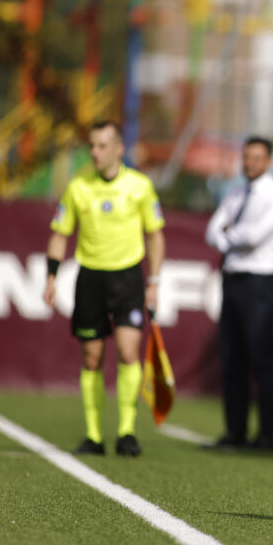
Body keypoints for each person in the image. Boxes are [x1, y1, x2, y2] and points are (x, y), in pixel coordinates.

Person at [43, 120, 165, 457]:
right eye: (92, 146)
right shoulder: (78, 187)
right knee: (91, 356)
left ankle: (126, 432)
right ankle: (93, 436)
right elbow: (59, 232)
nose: (95, 152)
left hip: (127, 278)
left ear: (118, 149)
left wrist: (154, 282)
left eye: (101, 146)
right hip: (90, 278)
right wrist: (51, 276)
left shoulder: (140, 186)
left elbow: (155, 235)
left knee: (128, 352)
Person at [205, 136, 273, 451]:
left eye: (256, 157)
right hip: (232, 279)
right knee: (231, 358)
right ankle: (235, 431)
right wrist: (230, 236)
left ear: (269, 161)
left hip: (259, 280)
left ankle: (267, 434)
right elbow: (211, 231)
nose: (250, 163)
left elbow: (254, 237)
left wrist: (229, 234)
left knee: (261, 358)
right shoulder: (234, 191)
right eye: (246, 157)